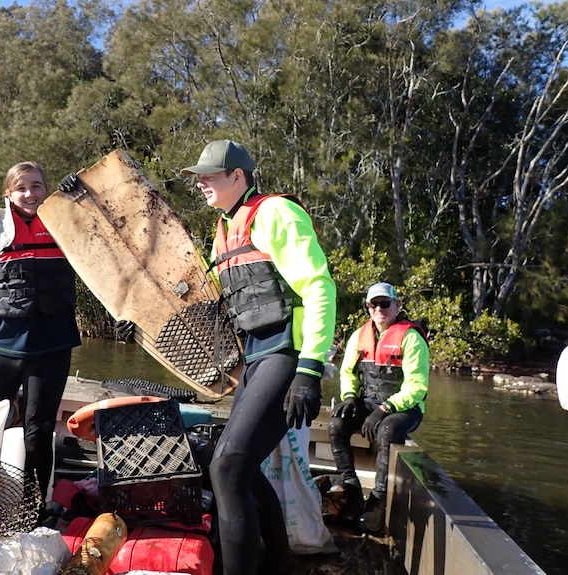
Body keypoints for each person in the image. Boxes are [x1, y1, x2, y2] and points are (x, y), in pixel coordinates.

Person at [181, 140, 337, 575]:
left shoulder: (274, 213)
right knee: (239, 467)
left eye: (210, 176)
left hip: (286, 356)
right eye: (199, 178)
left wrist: (309, 369)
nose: (201, 185)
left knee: (228, 467)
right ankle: (282, 562)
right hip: (256, 359)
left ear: (238, 176)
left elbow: (319, 288)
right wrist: (137, 324)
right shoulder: (224, 229)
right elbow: (213, 306)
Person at [0, 161, 81, 501]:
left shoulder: (65, 226)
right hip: (2, 348)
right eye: (21, 188)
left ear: (46, 189)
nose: (29, 194)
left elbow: (106, 245)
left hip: (51, 349)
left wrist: (81, 195)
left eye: (37, 186)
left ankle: (33, 508)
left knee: (38, 434)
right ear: (8, 194)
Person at [328, 282, 429, 533]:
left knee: (387, 430)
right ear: (368, 307)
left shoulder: (411, 337)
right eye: (374, 304)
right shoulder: (359, 336)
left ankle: (377, 502)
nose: (379, 309)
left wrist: (385, 409)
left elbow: (417, 387)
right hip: (370, 402)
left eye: (385, 303)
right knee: (336, 424)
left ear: (397, 305)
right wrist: (350, 397)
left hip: (404, 407)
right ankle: (351, 490)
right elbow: (347, 373)